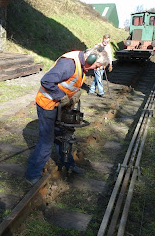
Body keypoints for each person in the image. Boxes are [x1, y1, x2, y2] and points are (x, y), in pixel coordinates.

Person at [25, 45, 110, 185]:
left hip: (59, 106)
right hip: (47, 104)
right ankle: (32, 175)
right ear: (91, 58)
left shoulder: (82, 64)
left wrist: (74, 93)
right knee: (46, 142)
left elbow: (69, 82)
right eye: (96, 66)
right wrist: (62, 96)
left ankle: (68, 164)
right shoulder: (69, 64)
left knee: (63, 136)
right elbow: (46, 81)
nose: (95, 69)